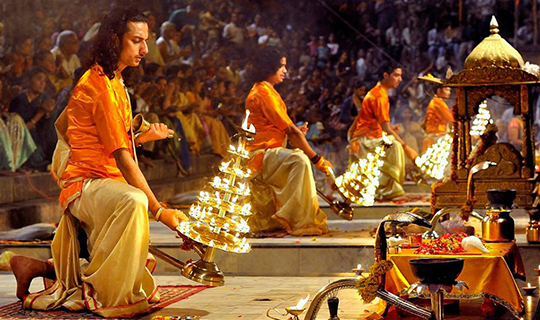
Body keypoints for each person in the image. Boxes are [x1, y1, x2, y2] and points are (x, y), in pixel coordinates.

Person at [10, 7, 188, 318]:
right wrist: (158, 209)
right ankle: (110, 295)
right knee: (134, 201)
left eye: (146, 40)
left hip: (102, 181)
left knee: (130, 199)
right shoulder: (100, 85)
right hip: (85, 185)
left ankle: (41, 268)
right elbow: (121, 157)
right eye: (136, 41)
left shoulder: (114, 81)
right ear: (114, 40)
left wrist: (141, 137)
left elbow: (81, 131)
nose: (145, 49)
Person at [245, 47, 331, 236]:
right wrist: (317, 160)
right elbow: (290, 130)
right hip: (259, 155)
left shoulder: (267, 90)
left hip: (269, 152)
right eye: (281, 66)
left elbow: (284, 129)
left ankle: (293, 217)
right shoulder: (263, 93)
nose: (285, 70)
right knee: (299, 159)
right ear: (269, 67)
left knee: (298, 158)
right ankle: (298, 220)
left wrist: (293, 133)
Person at [348, 62, 417, 200]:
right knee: (396, 146)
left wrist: (391, 129)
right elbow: (385, 127)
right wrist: (407, 148)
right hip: (366, 139)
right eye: (396, 75)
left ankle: (386, 187)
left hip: (370, 136)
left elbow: (380, 124)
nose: (400, 79)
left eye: (400, 76)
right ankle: (386, 190)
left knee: (394, 141)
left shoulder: (379, 92)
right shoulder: (379, 95)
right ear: (386, 75)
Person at [422, 85, 453, 152]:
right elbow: (449, 118)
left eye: (449, 90)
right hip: (436, 136)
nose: (449, 93)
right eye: (447, 90)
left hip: (437, 135)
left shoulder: (439, 101)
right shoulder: (437, 102)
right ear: (439, 91)